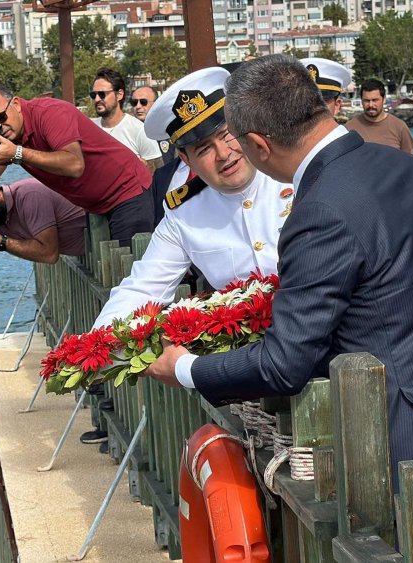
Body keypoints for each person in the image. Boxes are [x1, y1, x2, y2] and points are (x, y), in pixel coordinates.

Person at [146, 54, 413, 550]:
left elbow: (284, 364)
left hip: (397, 431)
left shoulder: (318, 209)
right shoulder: (404, 166)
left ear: (259, 143)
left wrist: (187, 368)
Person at [80, 67, 295, 444]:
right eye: (203, 149)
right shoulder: (184, 214)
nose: (224, 154)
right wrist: (94, 349)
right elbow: (141, 287)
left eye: (227, 135)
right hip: (254, 382)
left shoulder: (293, 172)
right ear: (184, 159)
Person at [0, 83, 154, 249]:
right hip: (97, 205)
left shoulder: (50, 112)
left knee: (132, 274)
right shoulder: (3, 137)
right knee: (116, 275)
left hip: (128, 191)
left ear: (16, 104)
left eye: (0, 118)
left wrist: (17, 153)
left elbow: (75, 165)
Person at [91, 68, 163, 170]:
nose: (97, 99)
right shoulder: (90, 128)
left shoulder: (139, 130)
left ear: (119, 94)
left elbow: (158, 174)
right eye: (94, 95)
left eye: (102, 94)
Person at [345, 78, 413, 154]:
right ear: (361, 100)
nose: (371, 105)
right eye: (367, 100)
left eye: (375, 100)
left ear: (384, 99)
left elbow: (410, 161)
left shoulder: (399, 127)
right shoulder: (349, 129)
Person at [131, 85, 177, 165]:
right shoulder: (129, 131)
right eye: (134, 103)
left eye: (143, 102)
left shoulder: (169, 129)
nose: (138, 106)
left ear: (155, 103)